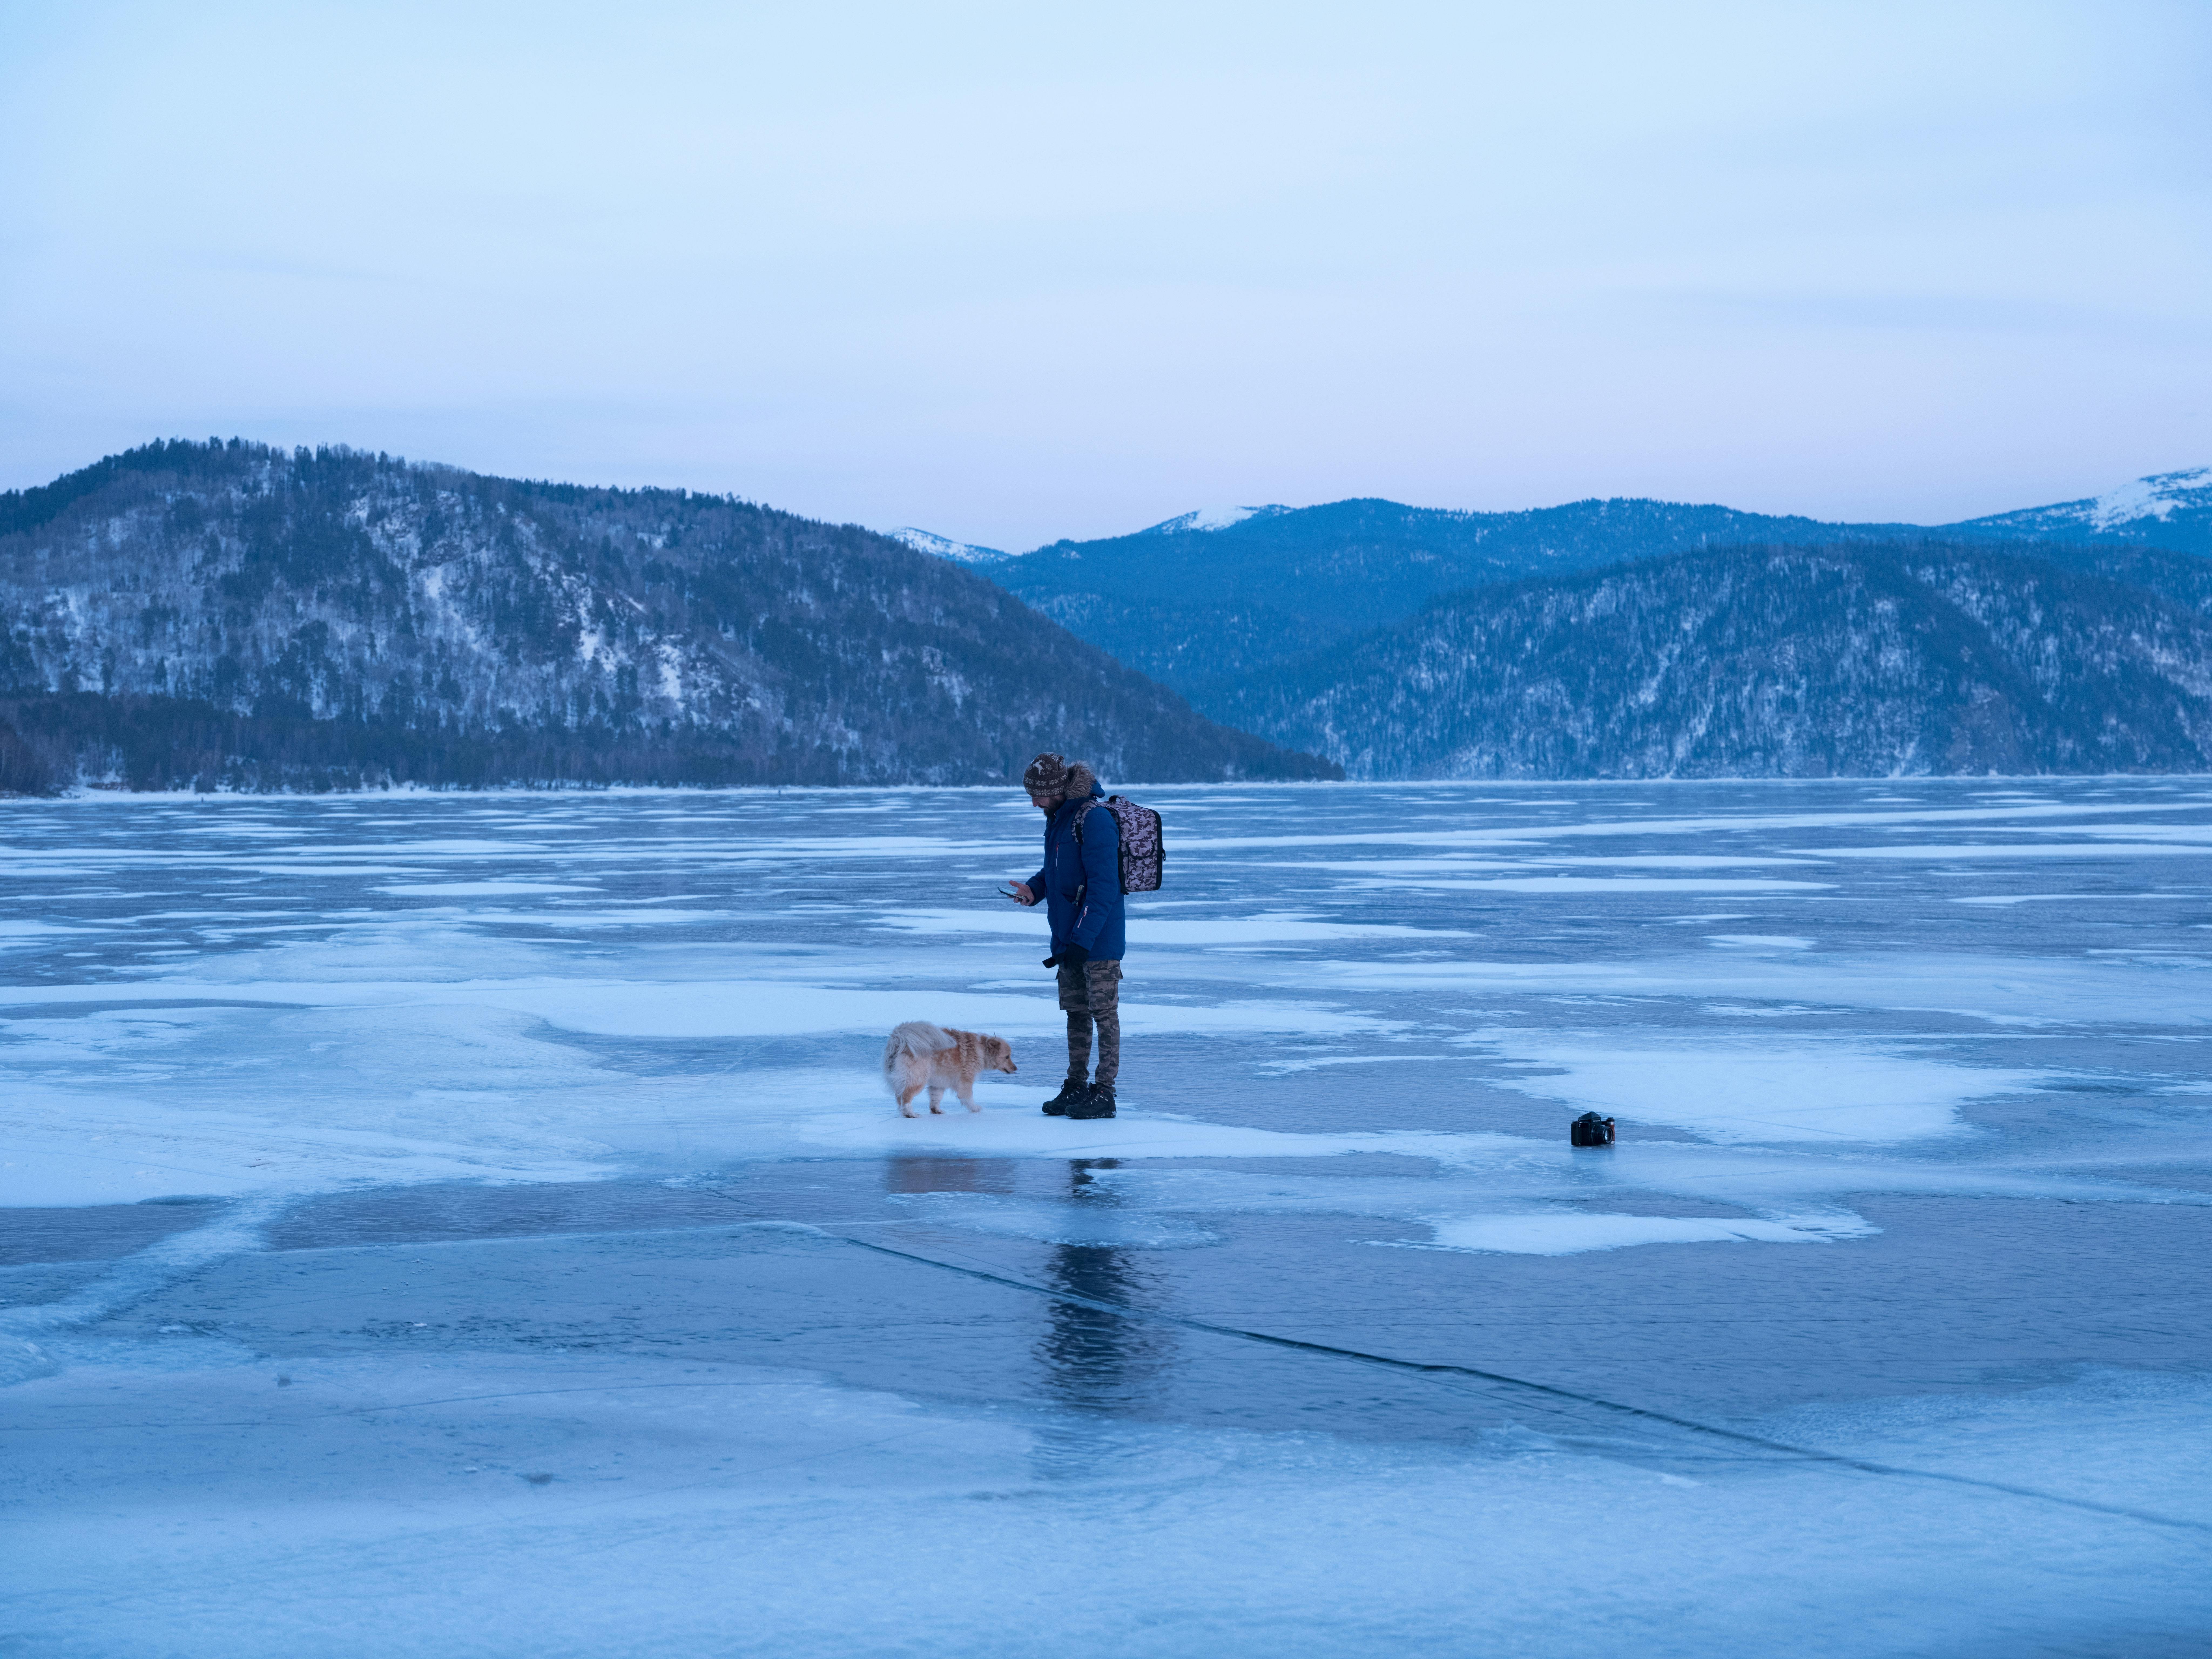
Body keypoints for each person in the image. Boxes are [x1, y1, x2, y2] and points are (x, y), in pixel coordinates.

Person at [1005, 752, 1124, 1120]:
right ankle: (1076, 1084)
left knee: (1103, 1015)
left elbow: (1104, 888)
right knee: (1076, 1013)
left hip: (1096, 941)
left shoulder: (1096, 820)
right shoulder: (1059, 819)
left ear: (1057, 790)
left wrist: (1082, 941)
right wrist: (1033, 890)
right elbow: (1056, 870)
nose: (1034, 802)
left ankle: (1104, 1092)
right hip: (1068, 938)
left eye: (1037, 794)